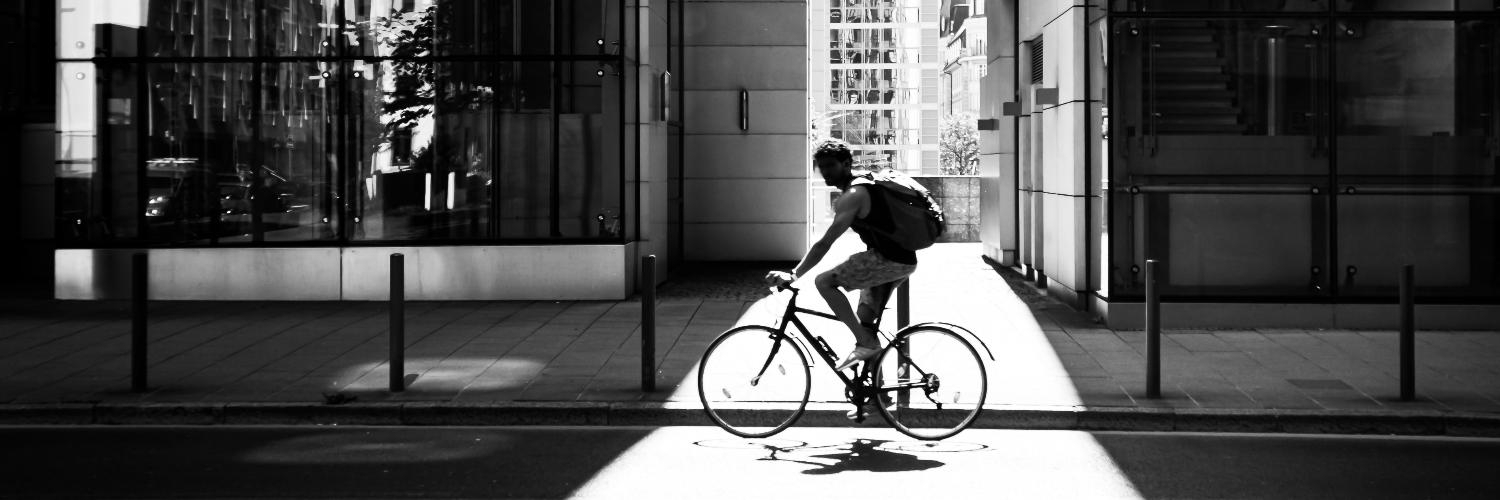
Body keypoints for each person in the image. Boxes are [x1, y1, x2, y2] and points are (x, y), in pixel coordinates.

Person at [765, 139, 917, 379]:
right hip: (898, 259)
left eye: (831, 165)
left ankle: (866, 343)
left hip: (889, 260)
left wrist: (793, 275)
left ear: (846, 164)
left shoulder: (853, 195)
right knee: (865, 320)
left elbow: (825, 243)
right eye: (821, 166)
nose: (825, 171)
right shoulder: (862, 183)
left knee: (824, 282)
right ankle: (875, 393)